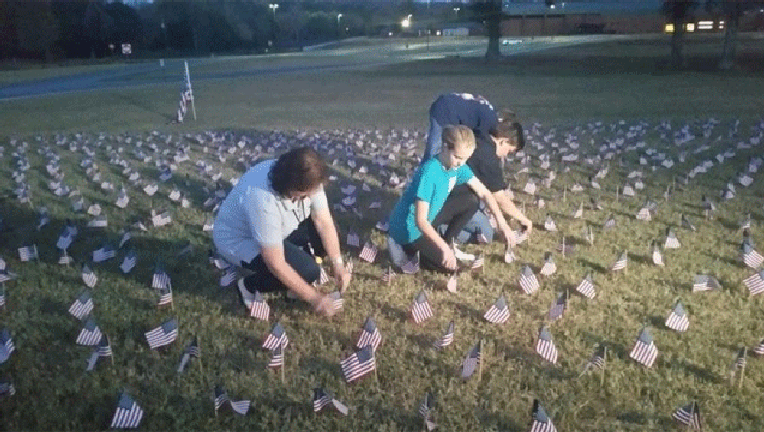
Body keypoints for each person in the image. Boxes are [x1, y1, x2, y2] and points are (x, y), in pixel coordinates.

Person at [213, 147, 350, 317]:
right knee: (308, 270)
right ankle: (248, 285)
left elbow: (324, 222)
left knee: (327, 236)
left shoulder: (308, 178)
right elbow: (275, 263)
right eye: (303, 195)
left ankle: (294, 281)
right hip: (240, 239)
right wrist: (315, 299)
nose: (309, 198)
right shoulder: (261, 198)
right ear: (289, 186)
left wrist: (338, 264)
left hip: (282, 225)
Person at [388, 126, 515, 273]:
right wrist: (443, 249)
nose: (461, 163)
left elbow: (485, 193)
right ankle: (402, 247)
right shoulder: (430, 172)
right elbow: (420, 221)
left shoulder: (458, 166)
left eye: (465, 158)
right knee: (453, 269)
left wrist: (502, 224)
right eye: (458, 157)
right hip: (410, 229)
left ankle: (448, 242)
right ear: (445, 147)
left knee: (472, 200)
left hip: (429, 218)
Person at [422, 92, 532, 246]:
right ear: (503, 140)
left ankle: (429, 217)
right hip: (444, 113)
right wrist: (522, 219)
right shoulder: (487, 153)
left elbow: (487, 194)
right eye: (509, 151)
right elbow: (498, 197)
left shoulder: (481, 133)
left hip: (444, 104)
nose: (505, 157)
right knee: (485, 232)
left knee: (475, 203)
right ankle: (428, 223)